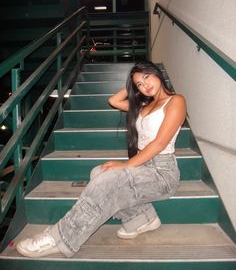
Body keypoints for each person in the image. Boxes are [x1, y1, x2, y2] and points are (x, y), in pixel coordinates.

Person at [16, 61, 186, 258]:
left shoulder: (176, 101)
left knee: (109, 181)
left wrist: (125, 164)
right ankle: (141, 219)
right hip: (144, 166)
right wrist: (132, 84)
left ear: (156, 73)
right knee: (99, 172)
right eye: (139, 84)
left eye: (146, 77)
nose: (144, 85)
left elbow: (158, 144)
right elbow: (114, 100)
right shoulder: (143, 105)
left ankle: (61, 237)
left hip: (162, 173)